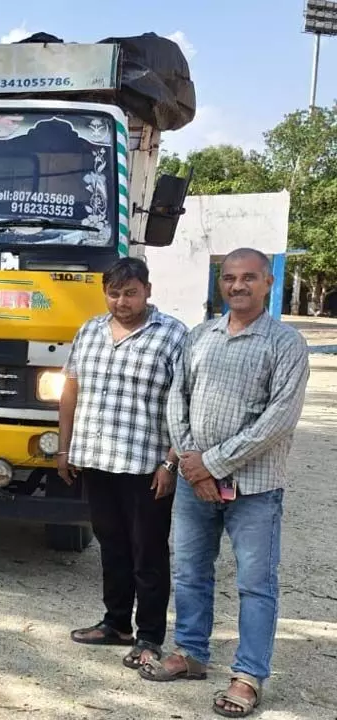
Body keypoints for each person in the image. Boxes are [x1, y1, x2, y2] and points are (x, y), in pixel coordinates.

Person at [140, 248, 309, 719]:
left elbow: (278, 419)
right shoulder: (199, 337)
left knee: (257, 584)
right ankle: (191, 653)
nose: (238, 286)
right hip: (197, 485)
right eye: (230, 278)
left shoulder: (285, 344)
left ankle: (248, 675)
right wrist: (195, 465)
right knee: (191, 572)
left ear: (269, 282)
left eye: (249, 277)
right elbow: (178, 400)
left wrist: (210, 464)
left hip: (255, 488)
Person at [58, 257, 187, 670]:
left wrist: (170, 463)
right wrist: (64, 449)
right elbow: (70, 389)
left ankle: (149, 636)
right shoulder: (90, 330)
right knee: (111, 547)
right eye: (114, 293)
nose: (121, 301)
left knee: (147, 554)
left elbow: (183, 405)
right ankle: (116, 624)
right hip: (96, 460)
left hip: (146, 466)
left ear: (148, 290)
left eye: (130, 292)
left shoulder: (173, 336)